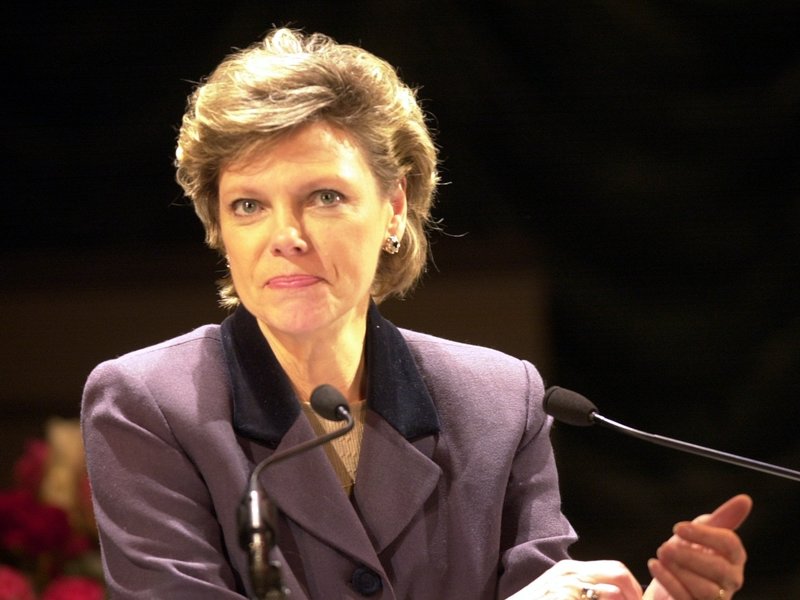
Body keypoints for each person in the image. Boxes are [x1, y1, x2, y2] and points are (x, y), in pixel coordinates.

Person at [81, 27, 751, 600]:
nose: (285, 234)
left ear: (394, 208)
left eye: (323, 196)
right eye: (248, 205)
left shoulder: (498, 400)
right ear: (219, 226)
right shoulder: (148, 404)